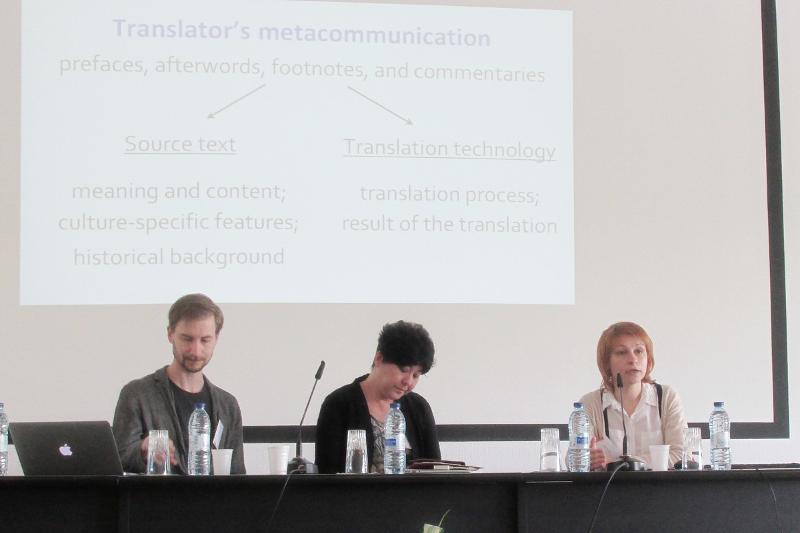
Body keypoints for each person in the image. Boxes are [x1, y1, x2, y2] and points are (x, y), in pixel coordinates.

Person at [112, 293, 246, 474]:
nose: (196, 351)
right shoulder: (137, 395)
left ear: (216, 338)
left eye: (205, 340)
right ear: (170, 334)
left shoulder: (228, 405)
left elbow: (238, 475)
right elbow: (117, 462)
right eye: (187, 339)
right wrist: (142, 451)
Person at [315, 320, 441, 474]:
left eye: (416, 375)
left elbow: (436, 471)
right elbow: (326, 473)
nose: (408, 382)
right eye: (403, 370)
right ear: (379, 358)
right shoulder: (339, 404)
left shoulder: (419, 408)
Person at [580, 321, 687, 470]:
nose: (633, 359)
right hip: (608, 486)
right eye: (621, 352)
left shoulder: (667, 397)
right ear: (606, 363)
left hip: (660, 485)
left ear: (648, 358)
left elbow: (681, 455)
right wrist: (587, 459)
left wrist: (618, 464)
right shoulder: (590, 403)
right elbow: (576, 456)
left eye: (639, 351)